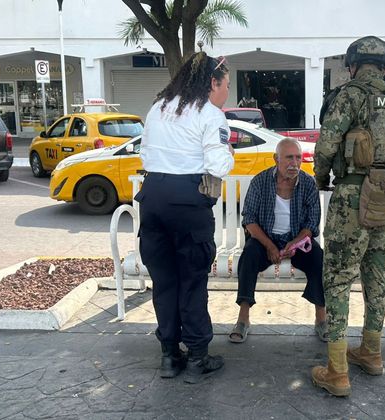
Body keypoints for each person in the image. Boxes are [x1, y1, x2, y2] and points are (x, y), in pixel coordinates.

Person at [311, 36, 385, 397]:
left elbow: (325, 146)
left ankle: (337, 372)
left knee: (338, 279)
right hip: (384, 197)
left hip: (351, 197)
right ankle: (371, 352)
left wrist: (321, 178)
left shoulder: (349, 94)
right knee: (375, 272)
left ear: (353, 65)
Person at [135, 52, 234, 384]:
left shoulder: (158, 108)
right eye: (226, 85)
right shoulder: (210, 114)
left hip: (152, 199)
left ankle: (169, 356)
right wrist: (228, 154)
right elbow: (218, 165)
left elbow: (146, 153)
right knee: (192, 281)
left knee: (164, 282)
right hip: (187, 202)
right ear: (212, 83)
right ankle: (197, 357)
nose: (226, 93)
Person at [228, 138, 327, 344]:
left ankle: (321, 319)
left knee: (318, 258)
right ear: (276, 159)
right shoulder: (260, 181)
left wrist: (295, 242)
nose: (294, 163)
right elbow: (249, 220)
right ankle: (243, 319)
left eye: (298, 158)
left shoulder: (308, 183)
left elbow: (312, 223)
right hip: (266, 239)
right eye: (289, 157)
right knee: (248, 256)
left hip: (297, 241)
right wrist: (270, 245)